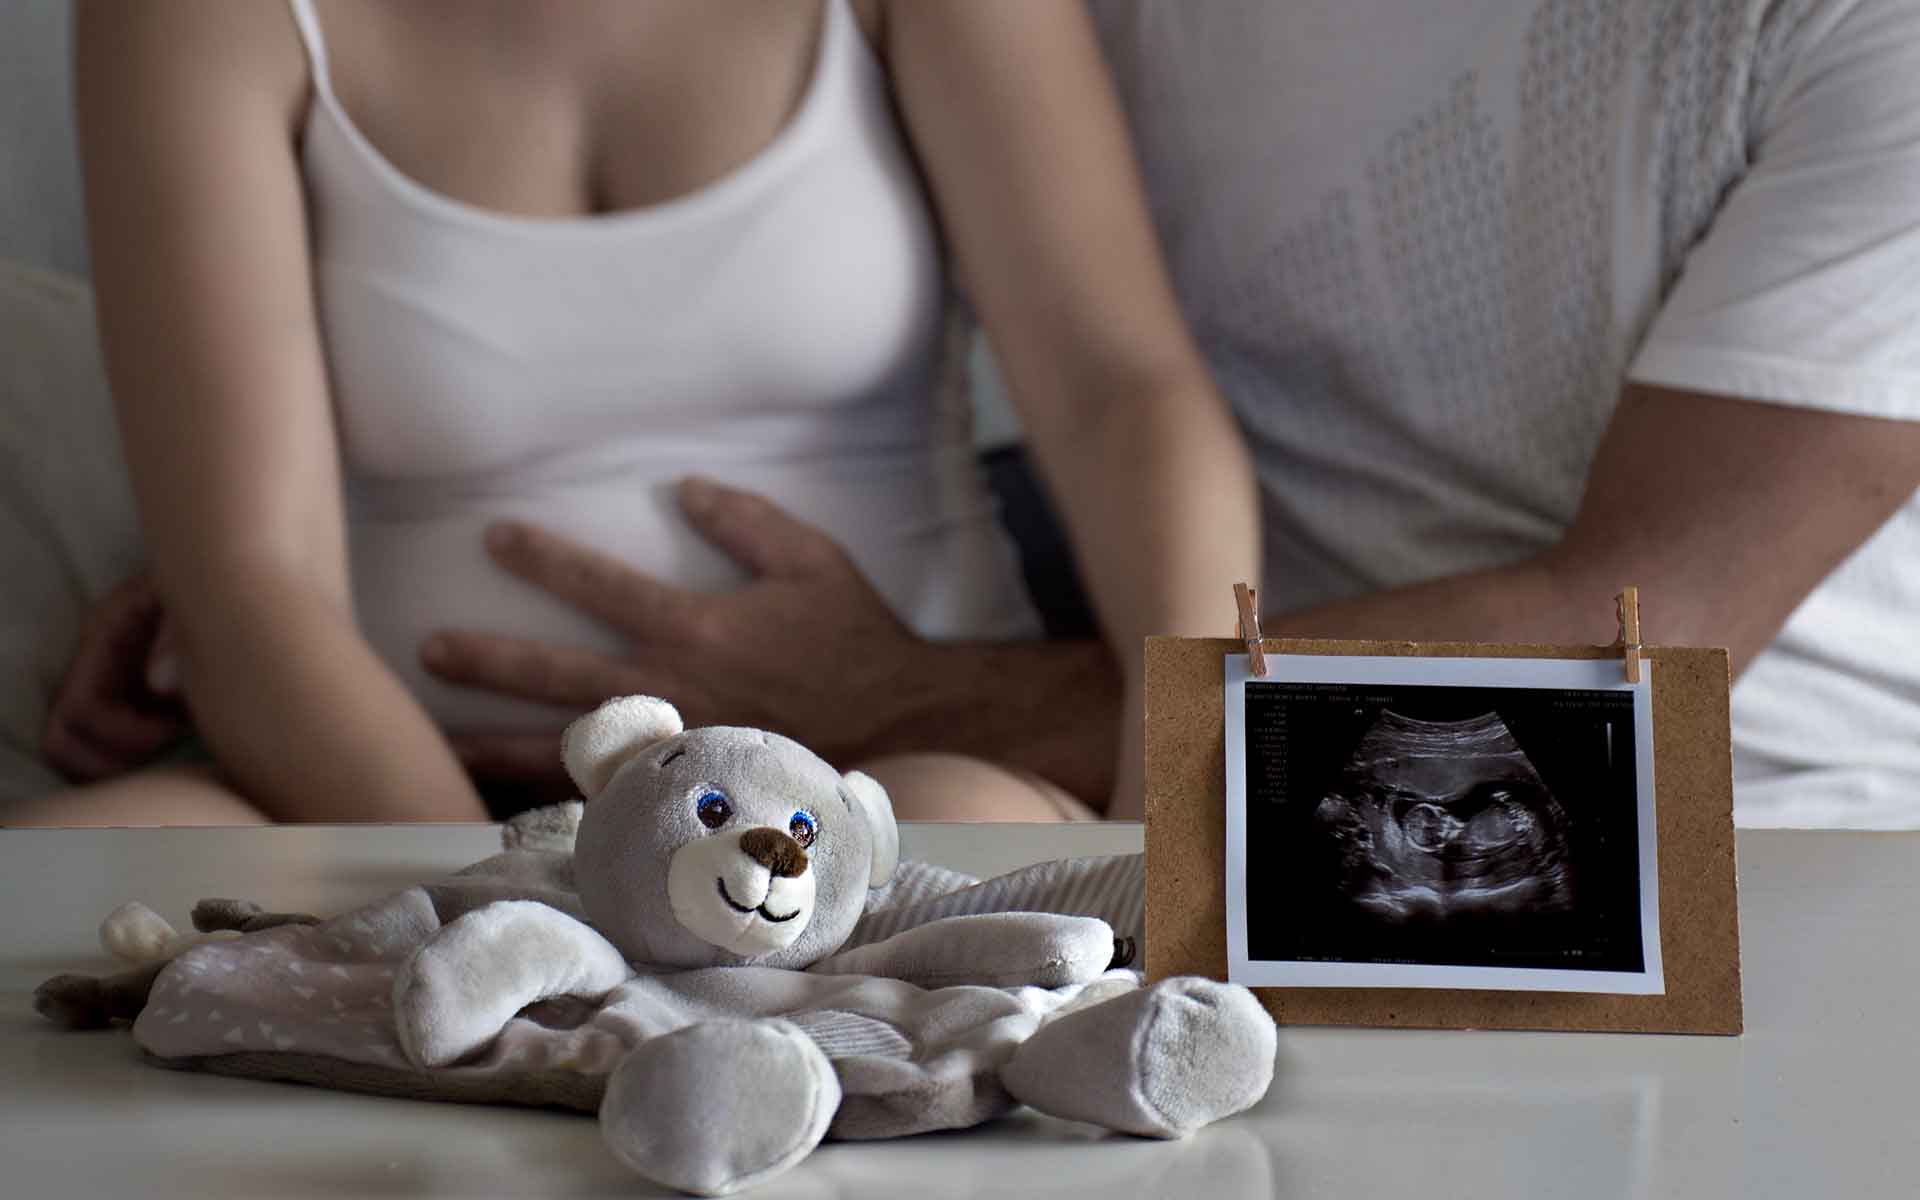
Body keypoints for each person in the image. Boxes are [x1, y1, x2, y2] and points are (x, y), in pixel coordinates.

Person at [133, 0, 1915, 832]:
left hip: (1723, 807)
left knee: (953, 850)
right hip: (1208, 736)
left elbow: (1650, 638)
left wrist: (915, 695)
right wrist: (232, 594)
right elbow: (1122, 394)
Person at [11, 0, 1257, 826]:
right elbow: (247, 583)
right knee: (106, 852)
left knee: (952, 817)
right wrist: (494, 911)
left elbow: (1122, 398)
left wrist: (1186, 812)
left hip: (884, 791)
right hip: (401, 807)